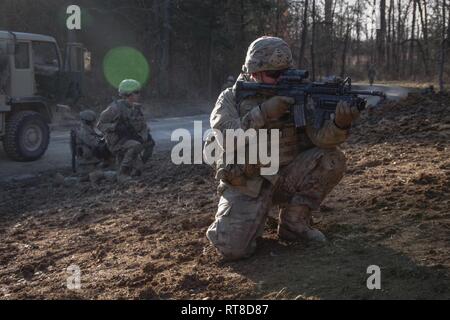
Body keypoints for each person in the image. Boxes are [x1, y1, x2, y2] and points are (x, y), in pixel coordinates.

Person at [205, 36, 360, 261]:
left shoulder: (298, 95)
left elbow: (322, 140)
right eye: (274, 75)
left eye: (284, 73)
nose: (280, 80)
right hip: (249, 183)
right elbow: (226, 138)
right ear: (253, 72)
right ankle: (249, 216)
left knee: (331, 159)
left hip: (287, 178)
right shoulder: (231, 98)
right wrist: (263, 113)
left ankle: (294, 223)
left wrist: (340, 124)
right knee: (232, 249)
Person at [97, 79, 155, 183]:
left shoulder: (135, 108)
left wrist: (146, 135)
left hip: (129, 139)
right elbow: (100, 125)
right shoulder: (114, 108)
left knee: (146, 151)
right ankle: (123, 174)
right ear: (128, 94)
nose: (139, 95)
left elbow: (141, 124)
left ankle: (106, 174)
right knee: (135, 146)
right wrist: (115, 127)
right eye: (136, 92)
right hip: (117, 141)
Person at [72, 110, 110, 175]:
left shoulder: (88, 129)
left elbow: (98, 136)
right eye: (93, 121)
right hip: (86, 162)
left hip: (90, 160)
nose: (94, 122)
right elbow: (95, 143)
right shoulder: (83, 131)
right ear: (87, 122)